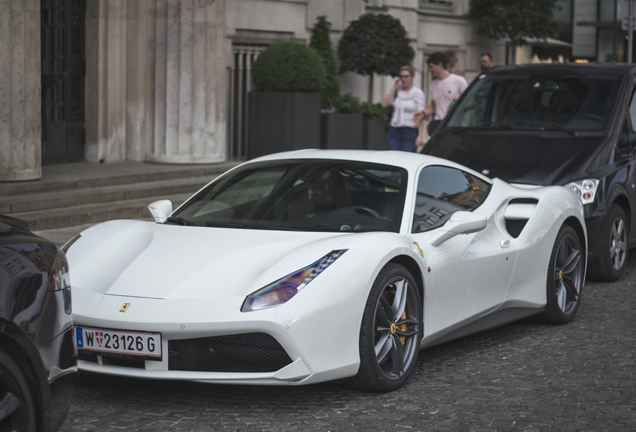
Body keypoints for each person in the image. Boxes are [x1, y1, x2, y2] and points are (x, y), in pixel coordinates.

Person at [413, 52, 468, 130]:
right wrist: (423, 113)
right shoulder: (434, 83)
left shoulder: (458, 80)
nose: (429, 70)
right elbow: (433, 107)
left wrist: (456, 106)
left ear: (439, 65)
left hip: (454, 125)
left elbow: (471, 102)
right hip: (438, 125)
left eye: (431, 67)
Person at [381, 65, 426, 152]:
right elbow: (384, 105)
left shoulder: (418, 93)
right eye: (401, 77)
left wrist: (420, 136)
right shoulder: (397, 91)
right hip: (394, 130)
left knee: (406, 159)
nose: (404, 79)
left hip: (410, 131)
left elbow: (421, 116)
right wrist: (393, 89)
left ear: (412, 77)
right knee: (392, 158)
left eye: (406, 76)